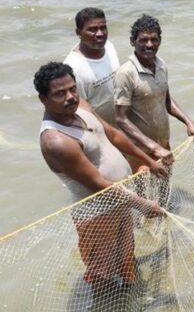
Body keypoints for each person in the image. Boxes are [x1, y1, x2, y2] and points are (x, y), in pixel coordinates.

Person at [35, 62, 167, 293]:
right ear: (43, 99)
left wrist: (148, 159)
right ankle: (104, 303)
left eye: (72, 89)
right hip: (97, 215)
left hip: (120, 202)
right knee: (103, 274)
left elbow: (113, 134)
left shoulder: (82, 107)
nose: (70, 97)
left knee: (126, 256)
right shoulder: (56, 141)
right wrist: (142, 204)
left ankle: (130, 297)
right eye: (60, 93)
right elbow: (98, 184)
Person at [114, 14, 194, 168]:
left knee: (165, 180)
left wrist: (189, 123)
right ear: (132, 41)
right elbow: (121, 119)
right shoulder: (125, 73)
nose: (149, 44)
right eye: (143, 40)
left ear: (160, 41)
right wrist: (154, 147)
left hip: (163, 146)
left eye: (154, 39)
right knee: (141, 184)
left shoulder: (161, 65)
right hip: (139, 151)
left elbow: (166, 100)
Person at [63, 7, 120, 125]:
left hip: (119, 122)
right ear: (78, 33)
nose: (100, 34)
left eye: (103, 28)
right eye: (92, 30)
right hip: (97, 128)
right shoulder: (73, 68)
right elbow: (79, 111)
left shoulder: (109, 47)